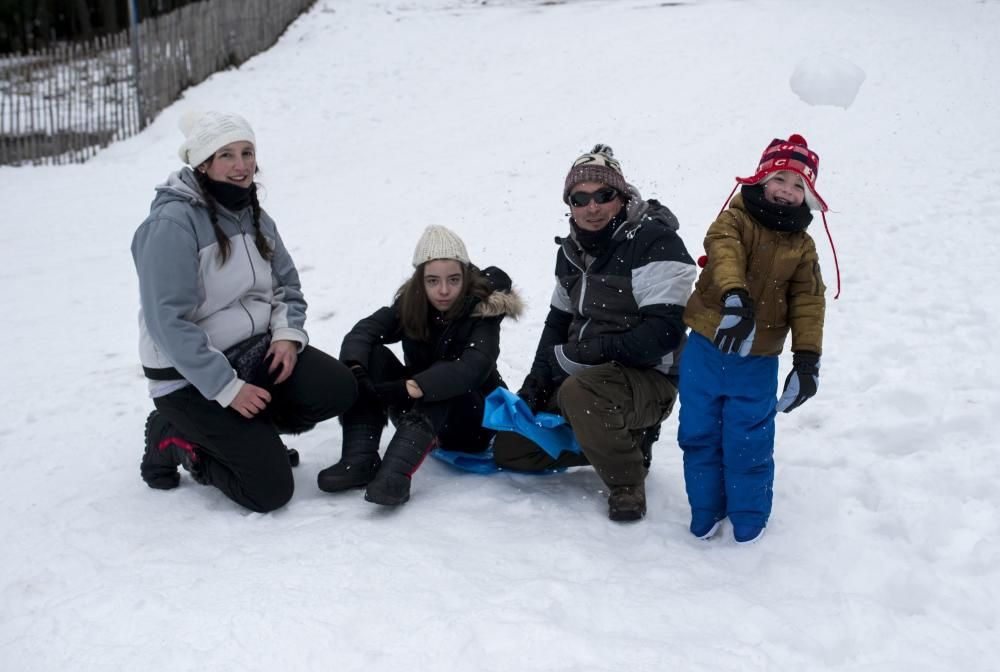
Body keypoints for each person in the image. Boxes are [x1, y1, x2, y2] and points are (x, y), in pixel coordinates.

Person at [132, 110, 357, 513]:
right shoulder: (172, 223)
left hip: (250, 351)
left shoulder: (254, 215)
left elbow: (287, 285)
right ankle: (177, 438)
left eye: (247, 153)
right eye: (227, 156)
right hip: (189, 378)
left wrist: (287, 336)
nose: (241, 166)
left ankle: (251, 439)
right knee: (269, 491)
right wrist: (227, 388)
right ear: (203, 163)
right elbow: (167, 322)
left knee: (338, 388)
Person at [492, 144, 697, 522]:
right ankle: (610, 440)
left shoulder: (655, 242)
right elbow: (557, 323)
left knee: (580, 393)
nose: (592, 207)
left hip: (648, 382)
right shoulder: (569, 251)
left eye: (604, 195)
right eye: (580, 198)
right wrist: (535, 384)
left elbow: (665, 332)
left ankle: (627, 478)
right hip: (585, 378)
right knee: (512, 449)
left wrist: (588, 352)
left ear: (621, 197)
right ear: (569, 203)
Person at [678, 133, 828, 544]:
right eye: (780, 178)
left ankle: (749, 515)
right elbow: (724, 253)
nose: (787, 190)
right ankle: (706, 509)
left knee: (748, 441)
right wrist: (734, 298)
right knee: (699, 434)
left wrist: (807, 359)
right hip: (706, 349)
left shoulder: (803, 246)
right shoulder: (733, 220)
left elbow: (808, 301)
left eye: (799, 185)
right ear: (762, 178)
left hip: (757, 359)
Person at [317, 225, 523, 506]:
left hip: (473, 421)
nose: (443, 290)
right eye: (433, 281)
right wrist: (357, 372)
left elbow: (471, 368)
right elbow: (363, 332)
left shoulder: (482, 311)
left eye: (453, 280)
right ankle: (359, 460)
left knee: (442, 381)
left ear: (465, 277)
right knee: (370, 357)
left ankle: (394, 478)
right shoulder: (413, 305)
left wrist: (410, 387)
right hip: (419, 416)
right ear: (420, 281)